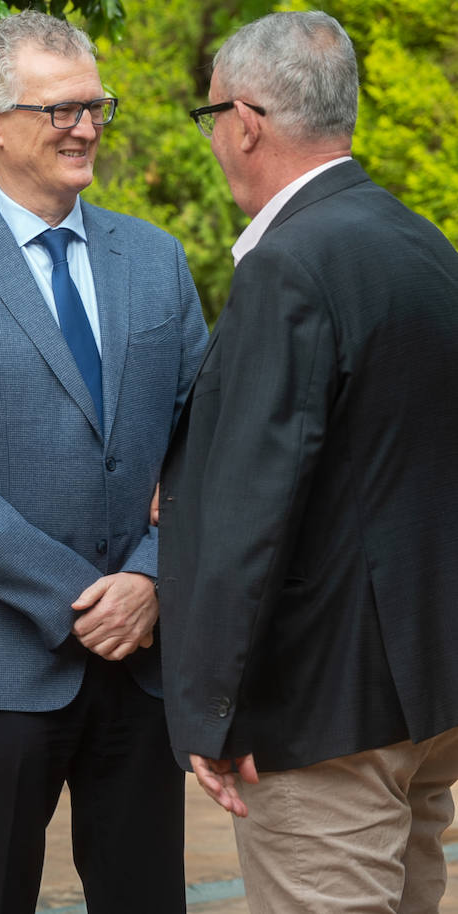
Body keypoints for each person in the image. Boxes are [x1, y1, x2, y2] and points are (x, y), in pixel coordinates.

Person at [0, 11, 209, 913]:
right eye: (60, 110)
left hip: (142, 660)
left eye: (95, 105)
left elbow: (207, 438)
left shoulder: (159, 261)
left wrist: (151, 579)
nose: (86, 127)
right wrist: (82, 599)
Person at [158, 11, 458, 912]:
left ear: (245, 121)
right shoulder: (424, 245)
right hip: (426, 693)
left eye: (209, 117)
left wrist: (209, 708)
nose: (212, 139)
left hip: (322, 711)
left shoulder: (291, 265)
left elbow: (255, 505)